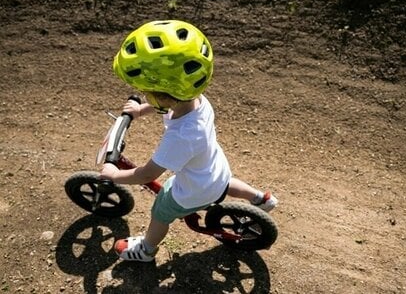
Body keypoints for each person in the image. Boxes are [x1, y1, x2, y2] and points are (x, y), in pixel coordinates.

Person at [99, 20, 278, 262]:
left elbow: (146, 175)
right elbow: (168, 101)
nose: (144, 95)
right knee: (225, 183)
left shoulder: (181, 137)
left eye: (147, 92)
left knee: (160, 212)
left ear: (164, 95)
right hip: (215, 169)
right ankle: (260, 198)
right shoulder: (196, 99)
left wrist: (113, 174)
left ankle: (146, 250)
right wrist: (141, 110)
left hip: (194, 190)